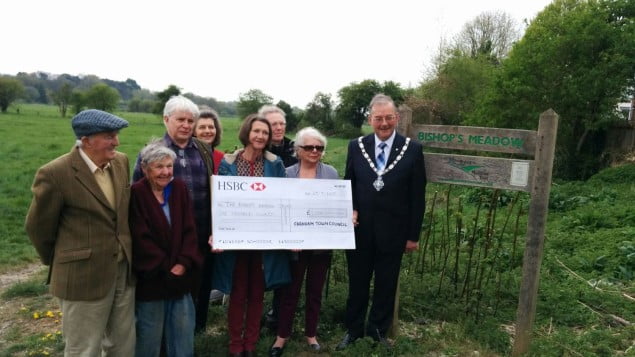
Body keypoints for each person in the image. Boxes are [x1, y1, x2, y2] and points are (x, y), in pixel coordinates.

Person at [25, 109, 135, 356]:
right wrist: (65, 259)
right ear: (86, 140)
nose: (116, 141)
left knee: (123, 345)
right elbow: (38, 227)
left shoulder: (121, 162)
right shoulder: (55, 173)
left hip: (121, 271)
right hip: (82, 277)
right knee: (84, 348)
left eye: (116, 135)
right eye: (109, 136)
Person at [337, 94, 426, 350]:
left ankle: (377, 332)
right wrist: (350, 209)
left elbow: (417, 196)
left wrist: (413, 235)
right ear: (370, 120)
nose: (384, 123)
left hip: (394, 232)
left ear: (396, 118)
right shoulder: (357, 146)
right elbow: (349, 184)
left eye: (388, 118)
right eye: (378, 118)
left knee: (386, 285)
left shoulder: (413, 149)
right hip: (360, 231)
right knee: (357, 283)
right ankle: (353, 330)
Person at [132, 95, 216, 333]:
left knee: (198, 287)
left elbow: (211, 190)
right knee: (167, 290)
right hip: (166, 242)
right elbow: (137, 195)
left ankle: (192, 335)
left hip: (200, 233)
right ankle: (163, 341)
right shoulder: (152, 152)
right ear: (166, 119)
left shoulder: (202, 149)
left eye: (191, 120)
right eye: (181, 119)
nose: (186, 125)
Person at [210, 114, 291, 357]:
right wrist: (217, 233)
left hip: (263, 241)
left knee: (257, 293)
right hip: (235, 241)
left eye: (265, 133)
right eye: (257, 131)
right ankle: (236, 343)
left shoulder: (275, 164)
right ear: (248, 132)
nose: (260, 136)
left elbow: (283, 198)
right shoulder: (228, 162)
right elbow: (220, 202)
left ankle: (251, 343)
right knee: (237, 292)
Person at [269, 127, 339, 357]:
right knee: (290, 291)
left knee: (315, 291)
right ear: (298, 150)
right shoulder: (286, 174)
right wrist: (288, 238)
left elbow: (336, 207)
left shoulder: (331, 174)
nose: (315, 151)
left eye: (319, 147)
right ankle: (282, 336)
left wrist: (345, 219)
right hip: (294, 245)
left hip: (320, 245)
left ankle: (311, 334)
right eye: (309, 147)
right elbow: (279, 209)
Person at [130, 139, 203, 357]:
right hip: (152, 279)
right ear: (145, 168)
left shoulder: (179, 188)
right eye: (159, 167)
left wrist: (183, 263)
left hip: (181, 276)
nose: (165, 172)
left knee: (182, 331)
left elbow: (190, 229)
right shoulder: (136, 194)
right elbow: (140, 238)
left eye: (169, 166)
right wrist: (165, 268)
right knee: (149, 335)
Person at [257, 104, 297, 331]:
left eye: (282, 123)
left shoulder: (296, 148)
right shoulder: (256, 149)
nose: (279, 128)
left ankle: (277, 316)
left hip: (289, 219)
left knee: (287, 269)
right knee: (259, 269)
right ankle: (254, 315)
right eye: (274, 124)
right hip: (262, 218)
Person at [193, 106, 224, 173]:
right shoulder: (186, 156)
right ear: (194, 132)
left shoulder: (222, 158)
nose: (207, 131)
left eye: (211, 127)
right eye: (202, 127)